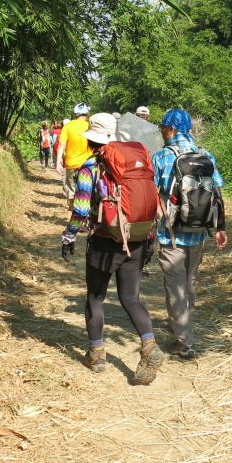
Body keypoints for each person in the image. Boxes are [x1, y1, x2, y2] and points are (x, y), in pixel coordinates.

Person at [59, 112, 166, 385]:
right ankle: (149, 345)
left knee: (95, 297)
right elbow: (146, 204)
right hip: (138, 239)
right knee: (131, 299)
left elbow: (82, 208)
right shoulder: (136, 163)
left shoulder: (90, 166)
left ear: (91, 140)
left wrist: (69, 235)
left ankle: (96, 355)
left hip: (104, 241)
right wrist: (149, 241)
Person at [151, 108, 227, 360]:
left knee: (175, 286)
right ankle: (183, 325)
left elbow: (153, 196)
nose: (161, 131)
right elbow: (217, 194)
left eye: (163, 127)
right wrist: (220, 228)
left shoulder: (162, 157)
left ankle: (184, 341)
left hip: (169, 232)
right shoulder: (207, 156)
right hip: (199, 231)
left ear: (171, 130)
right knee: (189, 282)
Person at [56, 103, 90, 209]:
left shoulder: (68, 126)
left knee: (72, 190)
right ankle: (86, 214)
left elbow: (62, 144)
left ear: (75, 114)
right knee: (87, 190)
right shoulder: (90, 126)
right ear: (86, 113)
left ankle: (73, 212)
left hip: (71, 163)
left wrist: (58, 162)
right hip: (88, 164)